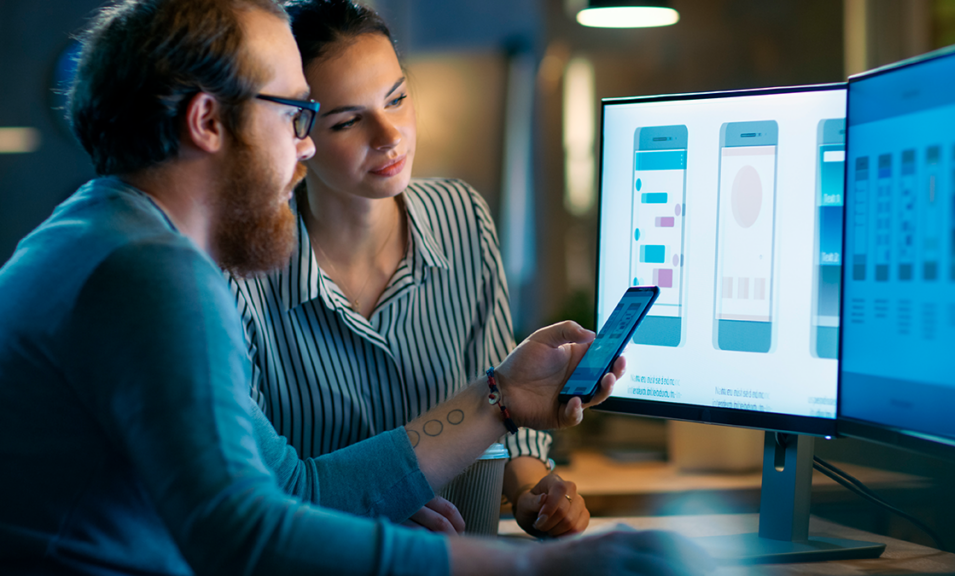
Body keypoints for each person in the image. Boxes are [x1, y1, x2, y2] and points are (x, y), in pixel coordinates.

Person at [0, 1, 712, 575]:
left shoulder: (96, 238)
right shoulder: (152, 274)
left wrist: (500, 398)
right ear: (208, 121)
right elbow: (246, 540)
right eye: (298, 115)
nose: (305, 145)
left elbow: (296, 493)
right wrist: (531, 570)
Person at [228, 0, 584, 537]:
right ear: (297, 133)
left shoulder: (462, 217)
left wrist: (536, 493)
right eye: (349, 120)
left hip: (467, 560)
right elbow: (250, 489)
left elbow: (505, 411)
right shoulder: (243, 272)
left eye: (396, 99)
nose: (389, 135)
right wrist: (363, 506)